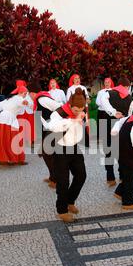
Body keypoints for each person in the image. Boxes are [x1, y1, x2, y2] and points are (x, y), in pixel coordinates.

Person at [43, 88, 88, 223]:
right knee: (63, 180)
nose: (79, 113)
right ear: (69, 105)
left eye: (81, 110)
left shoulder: (81, 110)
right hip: (60, 148)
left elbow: (81, 125)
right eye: (75, 110)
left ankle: (70, 201)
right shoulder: (59, 113)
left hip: (74, 147)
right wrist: (72, 121)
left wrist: (80, 120)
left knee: (81, 175)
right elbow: (53, 126)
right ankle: (61, 210)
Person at [0, 80, 29, 166]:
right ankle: (14, 159)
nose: (25, 94)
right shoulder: (18, 98)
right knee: (11, 140)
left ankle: (6, 159)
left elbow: (0, 105)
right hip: (7, 120)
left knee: (4, 139)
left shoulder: (10, 98)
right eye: (25, 93)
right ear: (21, 92)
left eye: (26, 93)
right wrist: (24, 102)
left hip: (4, 119)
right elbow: (20, 102)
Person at [98, 77, 133, 187]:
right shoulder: (129, 99)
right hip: (120, 126)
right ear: (127, 87)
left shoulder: (108, 93)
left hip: (107, 124)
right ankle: (122, 176)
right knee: (121, 151)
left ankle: (110, 177)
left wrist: (112, 111)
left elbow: (102, 101)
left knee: (108, 151)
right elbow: (129, 116)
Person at [29, 80, 62, 188]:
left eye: (29, 94)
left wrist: (54, 120)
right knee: (46, 154)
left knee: (48, 154)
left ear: (32, 93)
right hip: (46, 129)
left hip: (52, 128)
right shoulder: (38, 100)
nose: (29, 96)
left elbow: (59, 106)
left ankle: (56, 179)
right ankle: (53, 176)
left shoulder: (42, 99)